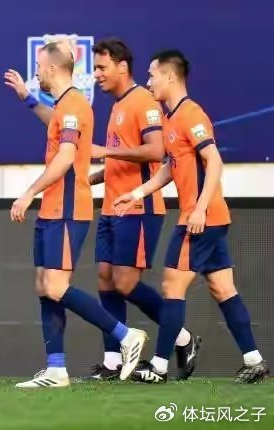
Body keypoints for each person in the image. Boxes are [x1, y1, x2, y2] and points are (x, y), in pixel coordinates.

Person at [115, 50, 268, 383]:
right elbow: (171, 168)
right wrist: (138, 193)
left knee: (172, 285)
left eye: (152, 75)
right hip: (207, 217)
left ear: (170, 76)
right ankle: (254, 361)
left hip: (200, 219)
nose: (148, 82)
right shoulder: (170, 118)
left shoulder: (191, 114)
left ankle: (158, 367)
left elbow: (214, 160)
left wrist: (199, 208)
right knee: (222, 288)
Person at [6, 39, 147, 388]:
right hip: (53, 208)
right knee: (44, 286)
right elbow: (54, 124)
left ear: (53, 68)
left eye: (39, 67)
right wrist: (27, 97)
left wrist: (29, 192)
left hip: (68, 209)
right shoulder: (65, 106)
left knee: (56, 286)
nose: (36, 73)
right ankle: (56, 369)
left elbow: (67, 156)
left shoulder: (74, 105)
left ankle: (126, 335)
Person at [88, 38, 199, 380]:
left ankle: (181, 337)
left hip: (139, 208)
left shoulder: (143, 102)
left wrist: (105, 152)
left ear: (122, 66)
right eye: (95, 68)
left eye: (102, 67)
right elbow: (122, 160)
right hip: (112, 207)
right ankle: (113, 362)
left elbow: (154, 152)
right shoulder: (118, 105)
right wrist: (90, 179)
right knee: (105, 278)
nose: (96, 74)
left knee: (124, 283)